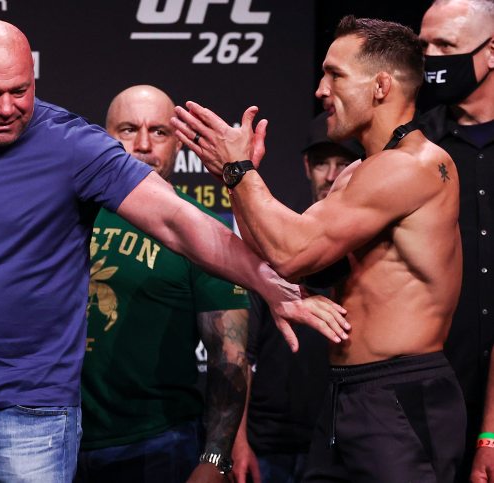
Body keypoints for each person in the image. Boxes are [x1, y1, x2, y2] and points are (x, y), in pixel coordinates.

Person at [0, 20, 348, 482]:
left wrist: (271, 283)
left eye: (20, 91)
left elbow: (178, 222)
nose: (6, 108)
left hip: (33, 415)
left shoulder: (71, 144)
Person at [175, 15, 465, 481]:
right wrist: (236, 183)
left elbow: (292, 251)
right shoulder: (356, 175)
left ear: (381, 86)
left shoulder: (414, 166)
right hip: (346, 395)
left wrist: (242, 174)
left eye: (335, 75)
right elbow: (283, 260)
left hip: (400, 396)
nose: (320, 90)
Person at [75, 85, 250, 483]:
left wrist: (214, 459)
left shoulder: (204, 232)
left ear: (177, 144)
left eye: (158, 132)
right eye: (127, 129)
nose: (142, 144)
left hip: (157, 444)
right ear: (104, 137)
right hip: (54, 437)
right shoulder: (65, 216)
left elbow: (230, 355)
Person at [230, 113, 364, 483]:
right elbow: (241, 354)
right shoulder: (276, 245)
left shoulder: (372, 252)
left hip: (343, 440)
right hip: (269, 441)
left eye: (342, 163)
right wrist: (237, 443)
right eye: (322, 162)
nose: (331, 175)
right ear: (307, 166)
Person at [416, 1, 494, 480]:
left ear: (491, 52)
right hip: (431, 395)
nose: (431, 58)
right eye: (425, 45)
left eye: (446, 45)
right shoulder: (414, 147)